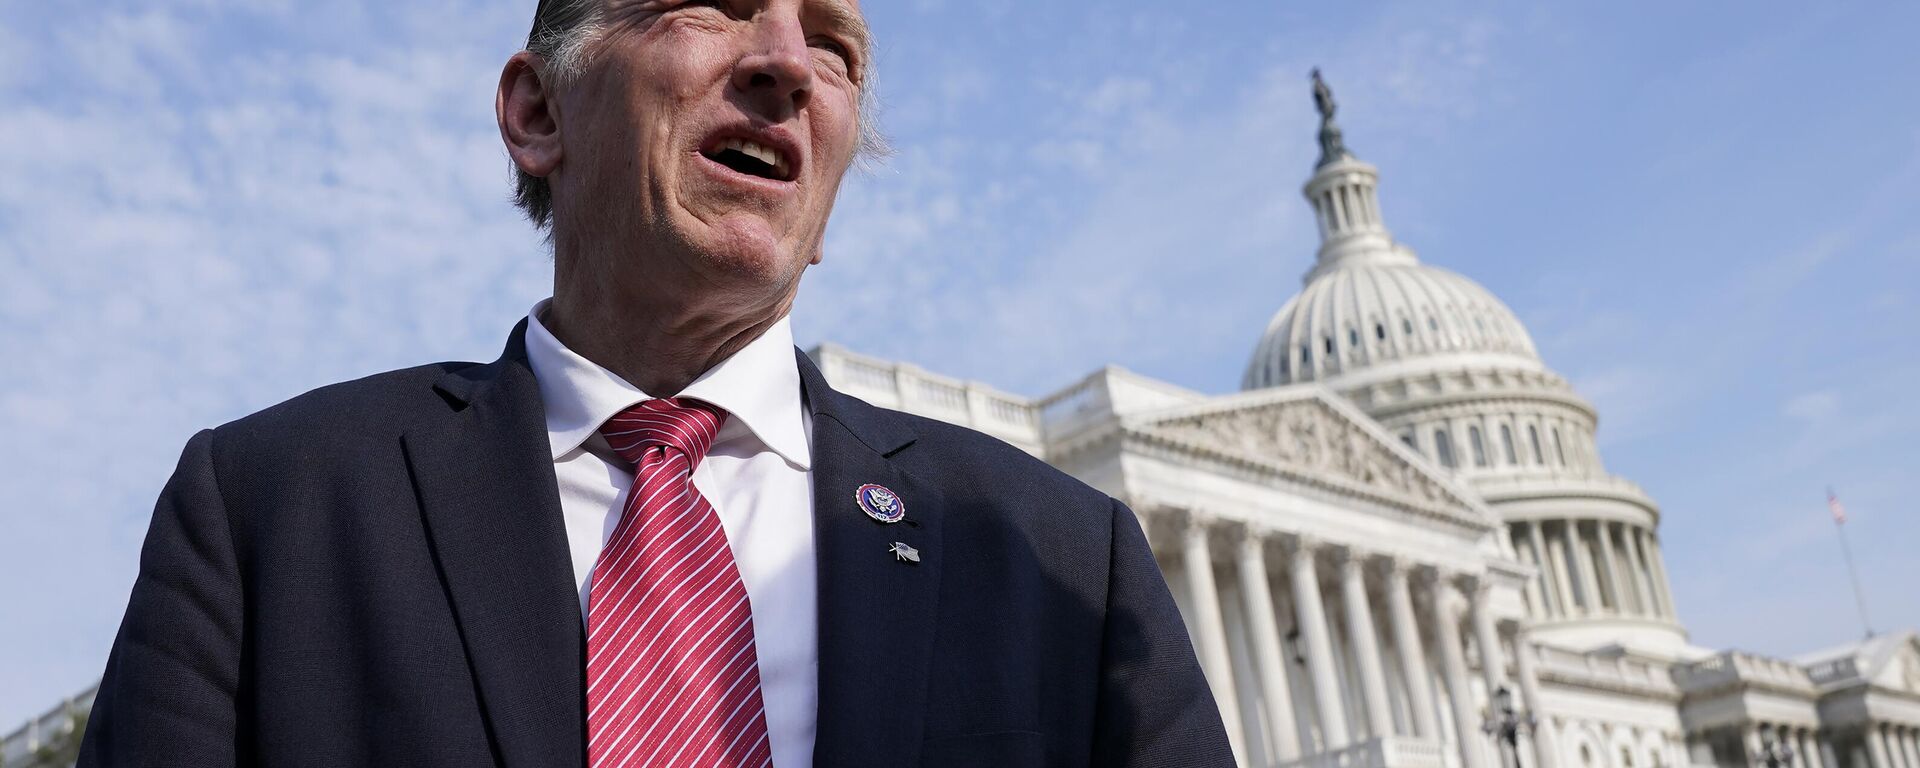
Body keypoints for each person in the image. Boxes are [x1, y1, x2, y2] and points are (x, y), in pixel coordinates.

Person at [78, 0, 1233, 765]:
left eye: (834, 45)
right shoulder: (271, 508)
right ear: (537, 113)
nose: (788, 66)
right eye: (716, 4)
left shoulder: (1066, 563)